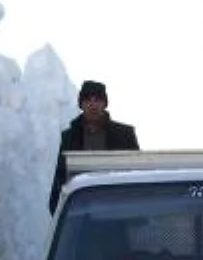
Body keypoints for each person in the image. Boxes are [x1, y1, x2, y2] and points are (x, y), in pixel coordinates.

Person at [47, 80, 139, 214]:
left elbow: (135, 176)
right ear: (81, 104)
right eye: (88, 100)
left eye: (97, 100)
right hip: (83, 217)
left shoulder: (124, 135)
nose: (93, 104)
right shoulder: (69, 137)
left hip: (118, 213)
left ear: (104, 103)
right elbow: (60, 180)